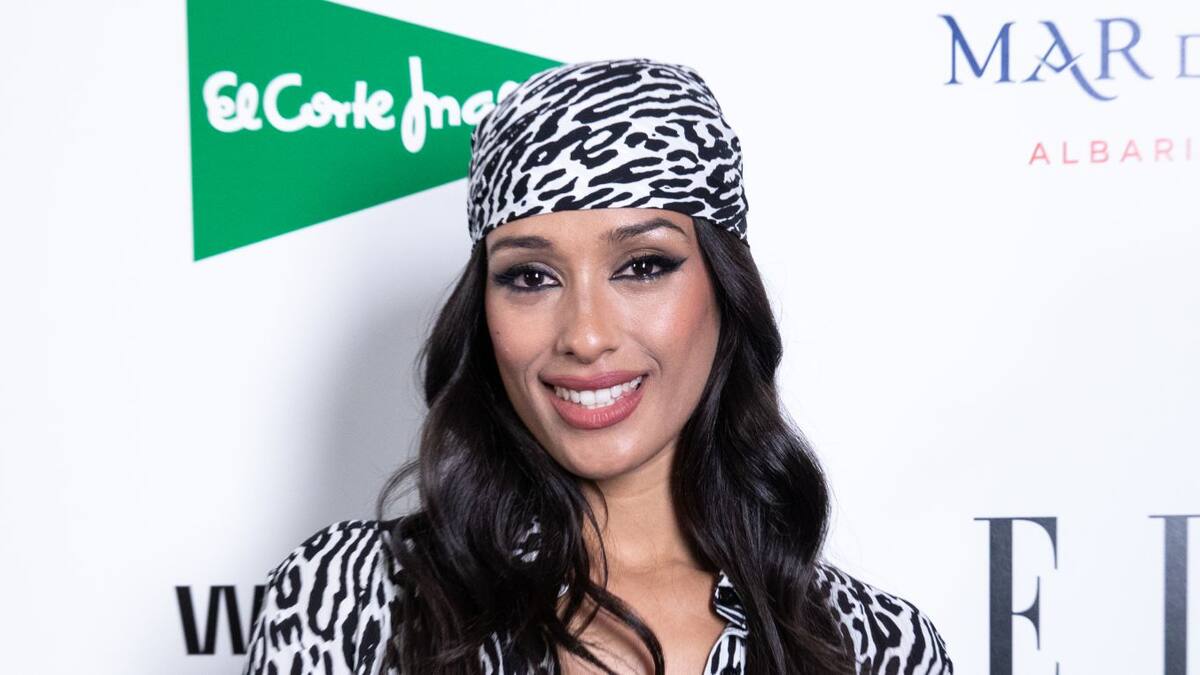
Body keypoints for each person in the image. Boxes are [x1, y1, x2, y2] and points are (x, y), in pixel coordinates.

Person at [242, 57, 953, 675]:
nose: (585, 336)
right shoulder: (356, 596)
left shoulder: (872, 646)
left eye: (642, 266)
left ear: (724, 290)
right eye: (531, 277)